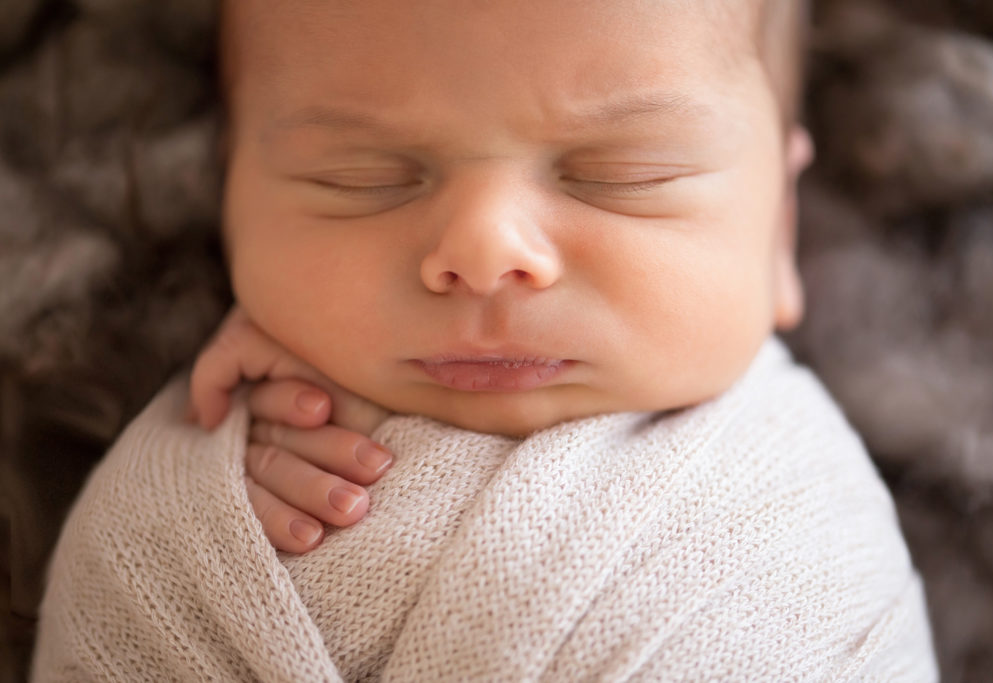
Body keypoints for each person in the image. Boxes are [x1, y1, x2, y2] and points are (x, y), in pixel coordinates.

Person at [32, 1, 938, 680]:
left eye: (622, 175)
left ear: (778, 229)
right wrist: (195, 506)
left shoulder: (793, 525)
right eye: (361, 179)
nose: (483, 251)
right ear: (230, 207)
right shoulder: (211, 463)